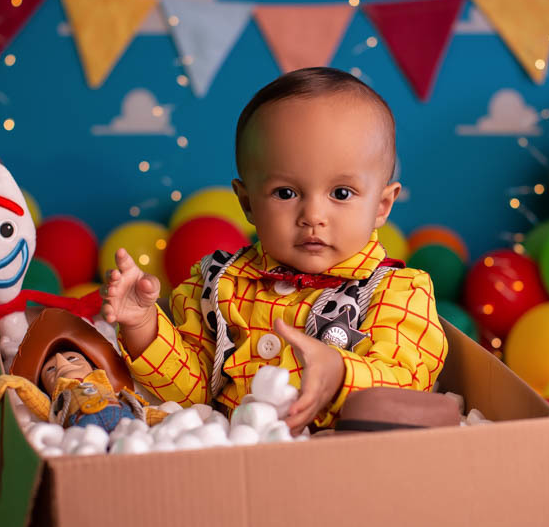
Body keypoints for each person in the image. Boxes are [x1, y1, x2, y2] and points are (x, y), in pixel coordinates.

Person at [102, 67, 449, 434]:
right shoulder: (219, 284)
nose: (313, 216)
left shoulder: (398, 293)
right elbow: (193, 397)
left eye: (341, 193)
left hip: (339, 467)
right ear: (248, 203)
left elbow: (410, 381)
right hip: (233, 465)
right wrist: (143, 327)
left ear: (381, 205)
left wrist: (339, 375)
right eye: (286, 193)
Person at [0, 309, 149, 480]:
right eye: (49, 369)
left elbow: (146, 412)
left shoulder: (120, 394)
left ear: (92, 364)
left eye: (72, 358)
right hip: (86, 445)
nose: (61, 364)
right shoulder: (53, 407)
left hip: (130, 432)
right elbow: (7, 382)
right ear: (44, 388)